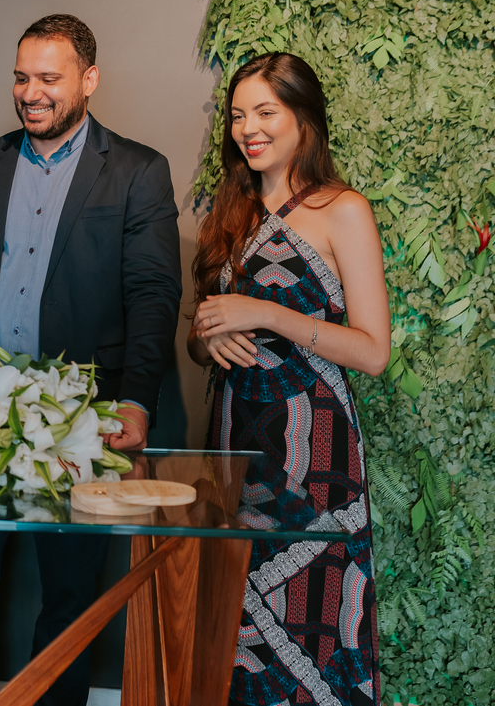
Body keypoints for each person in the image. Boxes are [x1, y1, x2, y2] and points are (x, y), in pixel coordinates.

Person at [0, 14, 182, 705]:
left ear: (90, 80)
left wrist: (135, 401)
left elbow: (153, 296)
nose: (31, 93)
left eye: (49, 78)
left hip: (83, 419)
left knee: (70, 590)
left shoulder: (139, 170)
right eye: (21, 77)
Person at [188, 52, 389, 705]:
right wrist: (208, 337)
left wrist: (269, 313)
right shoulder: (230, 211)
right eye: (237, 115)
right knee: (232, 634)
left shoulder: (343, 210)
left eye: (265, 112)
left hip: (315, 465)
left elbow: (373, 352)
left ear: (305, 118)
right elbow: (201, 336)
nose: (248, 128)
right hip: (232, 452)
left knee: (313, 625)